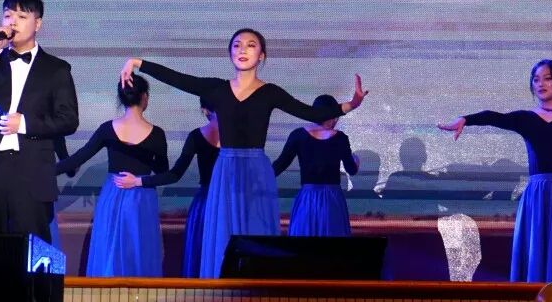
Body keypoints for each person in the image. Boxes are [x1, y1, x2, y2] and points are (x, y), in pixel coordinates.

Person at [119, 27, 368, 278]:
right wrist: (137, 63)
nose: (243, 50)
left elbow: (311, 113)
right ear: (230, 53)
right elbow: (179, 79)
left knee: (257, 232)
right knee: (224, 233)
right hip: (226, 170)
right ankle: (222, 288)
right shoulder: (217, 89)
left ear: (261, 56)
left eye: (251, 45)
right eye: (237, 45)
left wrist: (351, 104)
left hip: (256, 171)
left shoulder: (270, 92)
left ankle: (258, 289)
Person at [438, 59, 552, 283]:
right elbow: (494, 117)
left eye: (547, 78)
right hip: (539, 195)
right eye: (536, 79)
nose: (541, 84)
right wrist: (465, 119)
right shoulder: (527, 118)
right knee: (539, 251)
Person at [0, 0, 80, 243]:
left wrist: (24, 124)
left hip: (31, 169)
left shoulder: (56, 69)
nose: (13, 22)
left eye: (22, 16)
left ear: (38, 23)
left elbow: (69, 120)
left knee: (31, 245)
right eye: (8, 15)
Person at [56, 75, 168, 276]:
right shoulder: (157, 134)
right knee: (139, 251)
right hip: (141, 199)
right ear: (144, 97)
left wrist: (43, 171)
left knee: (109, 251)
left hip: (113, 194)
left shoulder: (107, 129)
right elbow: (163, 172)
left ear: (121, 97)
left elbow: (78, 158)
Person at [115, 98, 219, 278]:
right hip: (210, 204)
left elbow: (173, 174)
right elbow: (173, 174)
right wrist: (139, 180)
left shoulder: (235, 137)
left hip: (219, 203)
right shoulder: (197, 136)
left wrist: (139, 181)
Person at [272, 94, 360, 237]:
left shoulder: (298, 135)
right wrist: (356, 159)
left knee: (304, 242)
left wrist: (257, 178)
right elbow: (352, 169)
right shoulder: (340, 138)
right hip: (332, 200)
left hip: (308, 198)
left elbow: (279, 165)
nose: (336, 120)